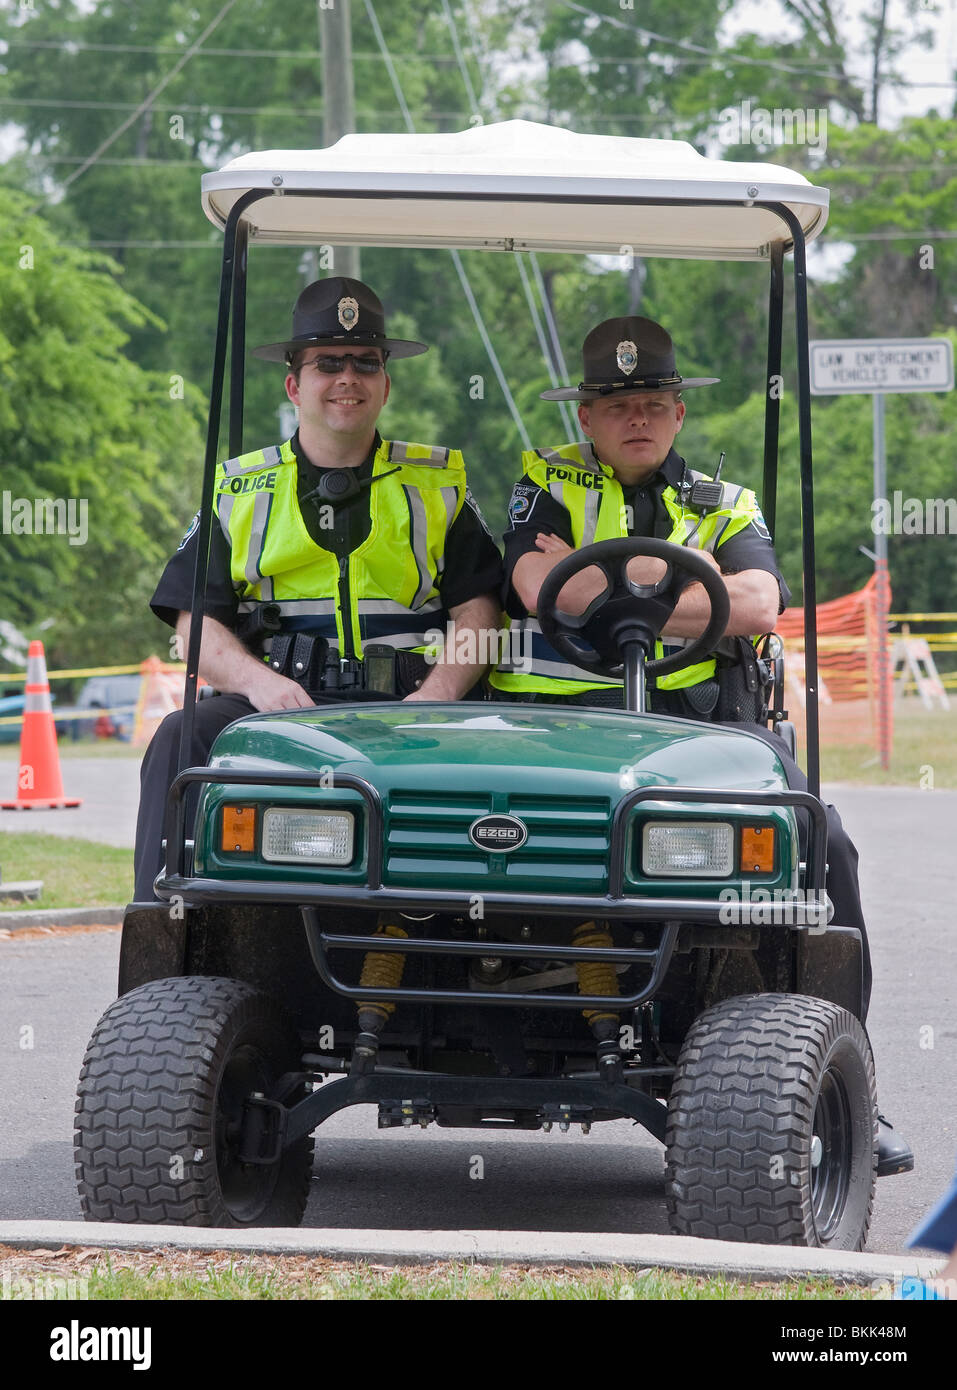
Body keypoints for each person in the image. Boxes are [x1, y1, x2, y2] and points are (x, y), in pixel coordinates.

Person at [491, 314, 912, 1175]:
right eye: (615, 404)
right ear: (586, 417)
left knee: (821, 845)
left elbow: (756, 603)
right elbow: (538, 587)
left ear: (678, 411)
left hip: (701, 736)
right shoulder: (543, 482)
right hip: (556, 731)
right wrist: (677, 580)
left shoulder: (725, 502)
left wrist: (603, 577)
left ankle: (848, 1090)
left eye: (651, 400)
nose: (635, 416)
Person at [133, 276, 502, 901]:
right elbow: (195, 621)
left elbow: (482, 612)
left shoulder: (437, 485)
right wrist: (259, 683)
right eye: (327, 363)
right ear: (294, 384)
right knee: (180, 735)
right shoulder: (237, 490)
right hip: (281, 701)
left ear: (386, 382)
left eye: (365, 362)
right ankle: (164, 932)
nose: (348, 378)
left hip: (415, 705)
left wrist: (435, 697)